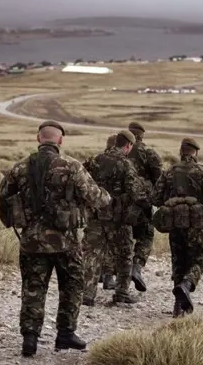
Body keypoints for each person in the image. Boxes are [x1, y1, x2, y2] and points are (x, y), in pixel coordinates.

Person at [0, 120, 111, 357]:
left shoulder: (21, 167)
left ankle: (30, 337)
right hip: (65, 242)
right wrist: (106, 199)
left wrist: (16, 221)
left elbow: (3, 199)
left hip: (31, 241)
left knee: (33, 288)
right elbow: (96, 197)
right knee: (72, 286)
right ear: (60, 140)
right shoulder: (71, 166)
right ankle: (65, 334)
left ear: (39, 139)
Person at [152, 138, 203, 318]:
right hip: (195, 224)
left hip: (175, 224)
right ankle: (186, 285)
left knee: (179, 262)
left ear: (181, 152)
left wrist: (173, 203)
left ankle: (178, 308)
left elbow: (155, 198)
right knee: (199, 260)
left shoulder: (169, 172)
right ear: (195, 153)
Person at [83, 130, 150, 305]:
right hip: (118, 219)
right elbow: (135, 192)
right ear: (128, 145)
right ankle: (121, 293)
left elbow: (82, 183)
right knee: (124, 254)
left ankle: (87, 295)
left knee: (92, 254)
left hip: (96, 216)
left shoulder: (95, 160)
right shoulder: (126, 165)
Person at [126, 122, 163, 292]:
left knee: (121, 237)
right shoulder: (150, 153)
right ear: (142, 135)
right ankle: (136, 267)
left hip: (120, 202)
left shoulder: (119, 150)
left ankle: (109, 274)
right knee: (146, 236)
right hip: (143, 203)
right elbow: (160, 181)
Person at [82, 134, 117, 291]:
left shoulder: (93, 160)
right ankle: (109, 279)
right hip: (114, 213)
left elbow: (82, 181)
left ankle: (88, 291)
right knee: (112, 247)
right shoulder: (123, 163)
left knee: (91, 251)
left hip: (94, 211)